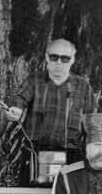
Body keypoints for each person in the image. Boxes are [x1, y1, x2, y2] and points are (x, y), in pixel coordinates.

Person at [7, 39, 95, 167]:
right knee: (39, 186)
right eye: (54, 57)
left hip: (72, 154)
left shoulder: (83, 86)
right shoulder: (34, 80)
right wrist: (15, 110)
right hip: (36, 152)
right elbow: (19, 99)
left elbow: (90, 122)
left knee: (63, 187)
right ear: (47, 57)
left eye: (65, 58)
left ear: (72, 60)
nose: (59, 62)